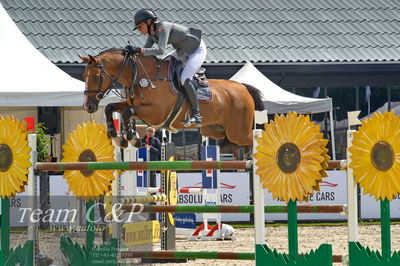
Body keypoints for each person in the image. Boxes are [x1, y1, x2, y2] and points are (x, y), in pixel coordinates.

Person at [125, 9, 206, 127]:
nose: (139, 29)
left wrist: (138, 50)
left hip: (196, 49)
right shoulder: (152, 35)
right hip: (182, 50)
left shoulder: (163, 27)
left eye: (140, 26)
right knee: (164, 66)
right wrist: (130, 53)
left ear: (149, 22)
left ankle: (196, 115)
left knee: (184, 78)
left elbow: (160, 50)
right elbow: (144, 52)